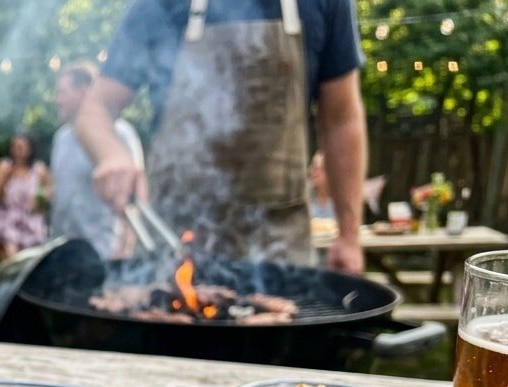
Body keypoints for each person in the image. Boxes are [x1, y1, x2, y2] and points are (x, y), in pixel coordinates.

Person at [75, 0, 367, 273]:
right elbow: (96, 109)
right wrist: (111, 155)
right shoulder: (159, 4)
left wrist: (349, 235)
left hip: (276, 244)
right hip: (173, 240)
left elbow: (342, 120)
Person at [50, 62, 145, 260]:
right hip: (63, 252)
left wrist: (125, 248)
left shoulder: (119, 134)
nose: (57, 100)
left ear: (84, 91)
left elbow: (134, 199)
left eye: (62, 93)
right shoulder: (60, 138)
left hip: (103, 252)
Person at [0, 132, 51, 260]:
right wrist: (4, 180)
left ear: (30, 148)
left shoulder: (39, 170)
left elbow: (50, 196)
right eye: (15, 146)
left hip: (32, 221)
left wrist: (42, 198)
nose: (18, 151)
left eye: (21, 147)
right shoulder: (3, 166)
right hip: (8, 222)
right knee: (13, 260)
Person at [307, 151, 334, 221]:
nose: (312, 171)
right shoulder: (304, 195)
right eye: (312, 166)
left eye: (318, 168)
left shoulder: (340, 199)